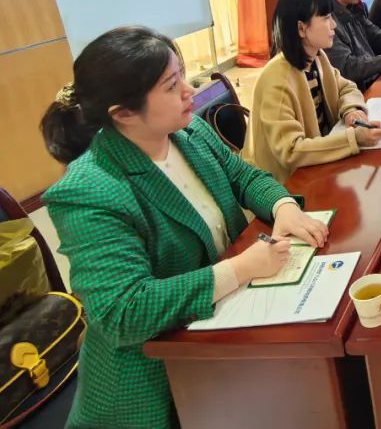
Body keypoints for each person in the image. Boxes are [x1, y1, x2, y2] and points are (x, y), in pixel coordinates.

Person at [40, 26, 330, 429]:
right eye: (171, 85)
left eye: (182, 75)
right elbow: (125, 311)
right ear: (123, 113)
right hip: (157, 379)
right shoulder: (90, 190)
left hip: (224, 335)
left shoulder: (188, 131)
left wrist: (283, 206)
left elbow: (244, 176)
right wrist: (240, 268)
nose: (189, 91)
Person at [244, 0, 381, 182]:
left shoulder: (317, 58)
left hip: (318, 166)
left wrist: (352, 110)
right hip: (284, 184)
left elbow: (346, 87)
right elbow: (291, 151)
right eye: (326, 18)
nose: (333, 25)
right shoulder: (277, 80)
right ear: (302, 28)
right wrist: (353, 139)